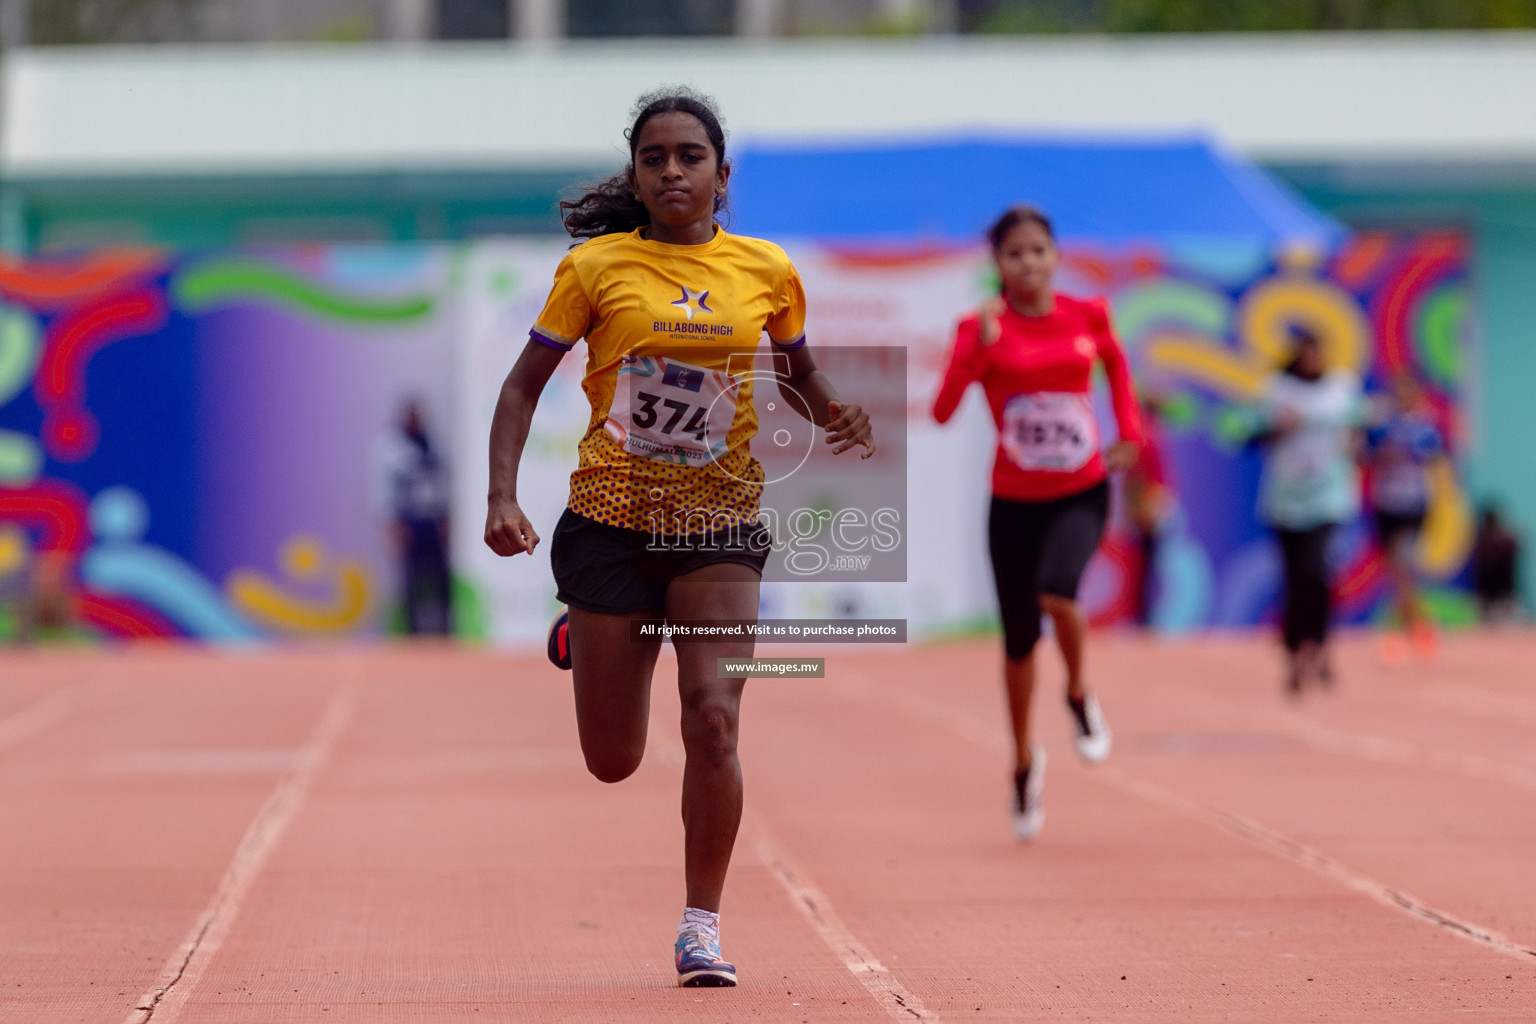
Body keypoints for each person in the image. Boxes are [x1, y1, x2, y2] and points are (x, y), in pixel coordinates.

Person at [482, 88, 874, 988]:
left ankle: (702, 925)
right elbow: (519, 388)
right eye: (654, 157)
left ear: (721, 175)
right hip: (612, 523)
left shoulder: (768, 270)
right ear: (636, 174)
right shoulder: (595, 270)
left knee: (713, 717)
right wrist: (502, 495)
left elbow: (800, 369)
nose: (671, 171)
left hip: (720, 523)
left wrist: (834, 410)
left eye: (689, 157)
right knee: (614, 762)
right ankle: (589, 632)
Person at [932, 204, 1141, 842]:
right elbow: (943, 410)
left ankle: (1078, 693)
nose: (1028, 262)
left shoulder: (1089, 314)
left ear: (1055, 255)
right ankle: (1024, 758)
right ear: (997, 264)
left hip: (1080, 488)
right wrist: (977, 347)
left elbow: (1119, 372)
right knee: (1019, 642)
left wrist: (1129, 432)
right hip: (1013, 499)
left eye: (1038, 250)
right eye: (1014, 253)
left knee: (1060, 589)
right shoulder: (977, 326)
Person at [1252, 326, 1362, 695]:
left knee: (1318, 574)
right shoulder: (1276, 389)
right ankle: (1295, 652)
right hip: (1285, 502)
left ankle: (1321, 645)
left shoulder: (1342, 388)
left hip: (1329, 499)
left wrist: (1357, 442)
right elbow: (1244, 434)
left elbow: (1362, 432)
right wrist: (1278, 429)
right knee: (1294, 580)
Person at [1362, 372, 1445, 660]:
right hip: (1386, 504)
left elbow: (1432, 455)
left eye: (1408, 390)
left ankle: (1400, 632)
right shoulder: (1382, 424)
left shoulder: (1425, 424)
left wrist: (1398, 452)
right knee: (1396, 572)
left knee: (1403, 566)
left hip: (1414, 504)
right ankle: (1419, 627)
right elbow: (1365, 455)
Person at [373, 399, 453, 635]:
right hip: (408, 521)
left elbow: (445, 482)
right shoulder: (390, 448)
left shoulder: (436, 443)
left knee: (441, 579)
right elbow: (384, 488)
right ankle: (412, 633)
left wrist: (447, 518)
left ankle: (445, 631)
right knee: (410, 580)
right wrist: (391, 525)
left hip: (433, 519)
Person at [1124, 394, 1173, 628]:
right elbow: (1138, 478)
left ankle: (1144, 616)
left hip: (1149, 503)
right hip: (1148, 506)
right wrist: (1143, 510)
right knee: (1145, 563)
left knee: (1147, 564)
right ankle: (1142, 617)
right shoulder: (1147, 434)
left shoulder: (1148, 433)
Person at [1472, 504, 1522, 623]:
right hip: (1489, 599)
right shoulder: (1483, 543)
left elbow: (1515, 546)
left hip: (1504, 598)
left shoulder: (1505, 542)